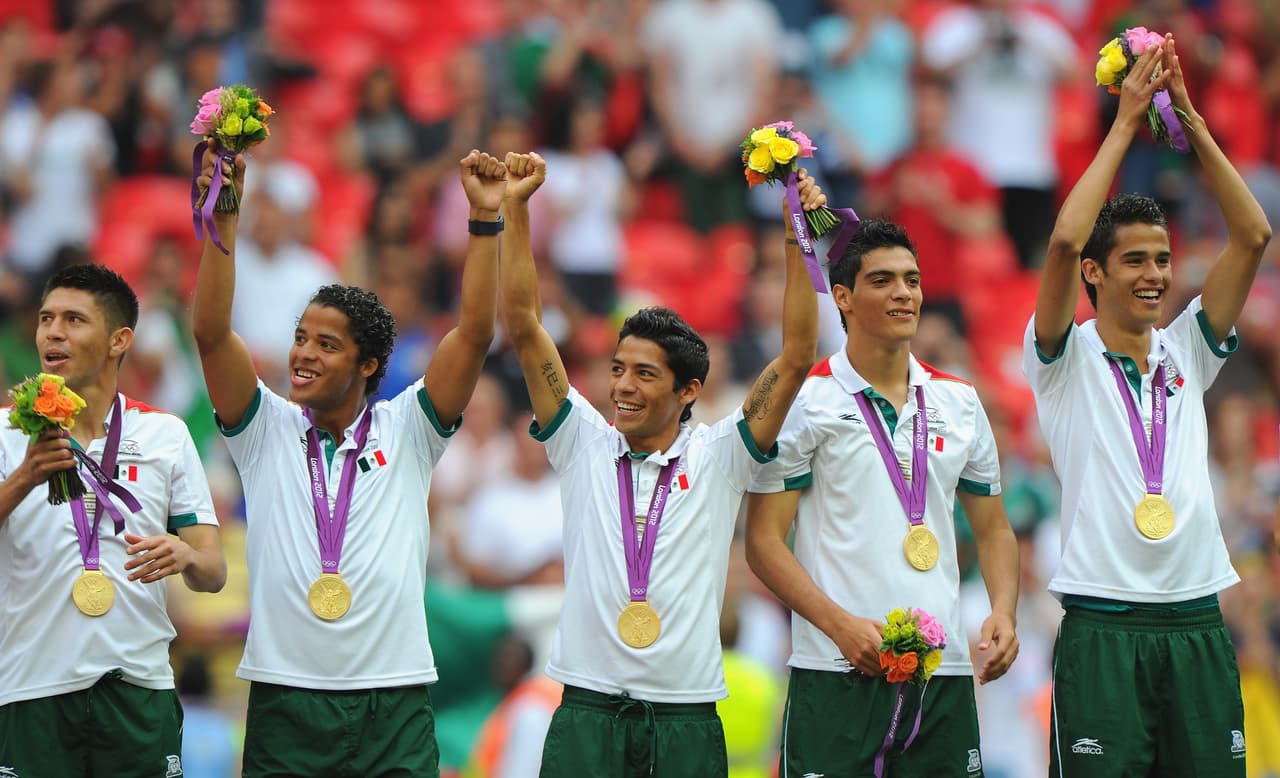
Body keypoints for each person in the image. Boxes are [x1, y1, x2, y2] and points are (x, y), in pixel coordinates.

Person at [499, 150, 825, 777]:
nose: (621, 385)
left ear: (688, 391)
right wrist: (515, 211)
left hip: (685, 717)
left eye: (644, 374)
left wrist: (797, 234)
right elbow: (523, 326)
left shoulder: (724, 454)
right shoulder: (581, 441)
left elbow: (796, 354)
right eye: (617, 369)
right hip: (587, 712)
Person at [191, 144, 506, 777]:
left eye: (326, 345)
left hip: (393, 702)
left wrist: (483, 221)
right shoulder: (263, 428)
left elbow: (473, 333)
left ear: (367, 366)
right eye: (300, 337)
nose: (302, 354)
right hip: (285, 699)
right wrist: (224, 217)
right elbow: (210, 334)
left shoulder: (411, 426)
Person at [1023, 39, 1270, 777]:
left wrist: (1191, 120)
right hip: (1103, 621)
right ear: (1097, 273)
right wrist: (1127, 120)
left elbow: (1253, 234)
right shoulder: (1063, 358)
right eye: (1135, 260)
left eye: (1162, 259)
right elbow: (1065, 239)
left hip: (1198, 617)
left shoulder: (1188, 349)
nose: (1156, 274)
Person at [745, 217, 1020, 777]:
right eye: (883, 280)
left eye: (912, 280)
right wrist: (839, 626)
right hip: (836, 671)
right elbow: (763, 543)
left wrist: (1004, 610)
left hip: (940, 677)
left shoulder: (961, 400)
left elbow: (994, 529)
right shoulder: (808, 401)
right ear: (841, 297)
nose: (904, 293)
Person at [0, 263, 226, 777]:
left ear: (119, 339)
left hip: (139, 691)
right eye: (45, 318)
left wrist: (188, 554)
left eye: (74, 320)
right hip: (33, 690)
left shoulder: (164, 435)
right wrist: (23, 478)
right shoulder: (7, 432)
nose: (52, 332)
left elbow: (214, 572)